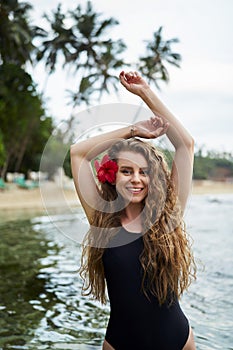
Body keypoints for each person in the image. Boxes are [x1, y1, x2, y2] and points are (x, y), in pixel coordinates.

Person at [70, 71, 197, 350]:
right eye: (126, 171)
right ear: (112, 176)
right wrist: (132, 131)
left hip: (178, 342)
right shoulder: (102, 219)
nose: (136, 179)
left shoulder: (168, 216)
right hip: (120, 344)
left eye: (144, 172)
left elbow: (185, 145)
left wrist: (145, 93)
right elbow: (78, 153)